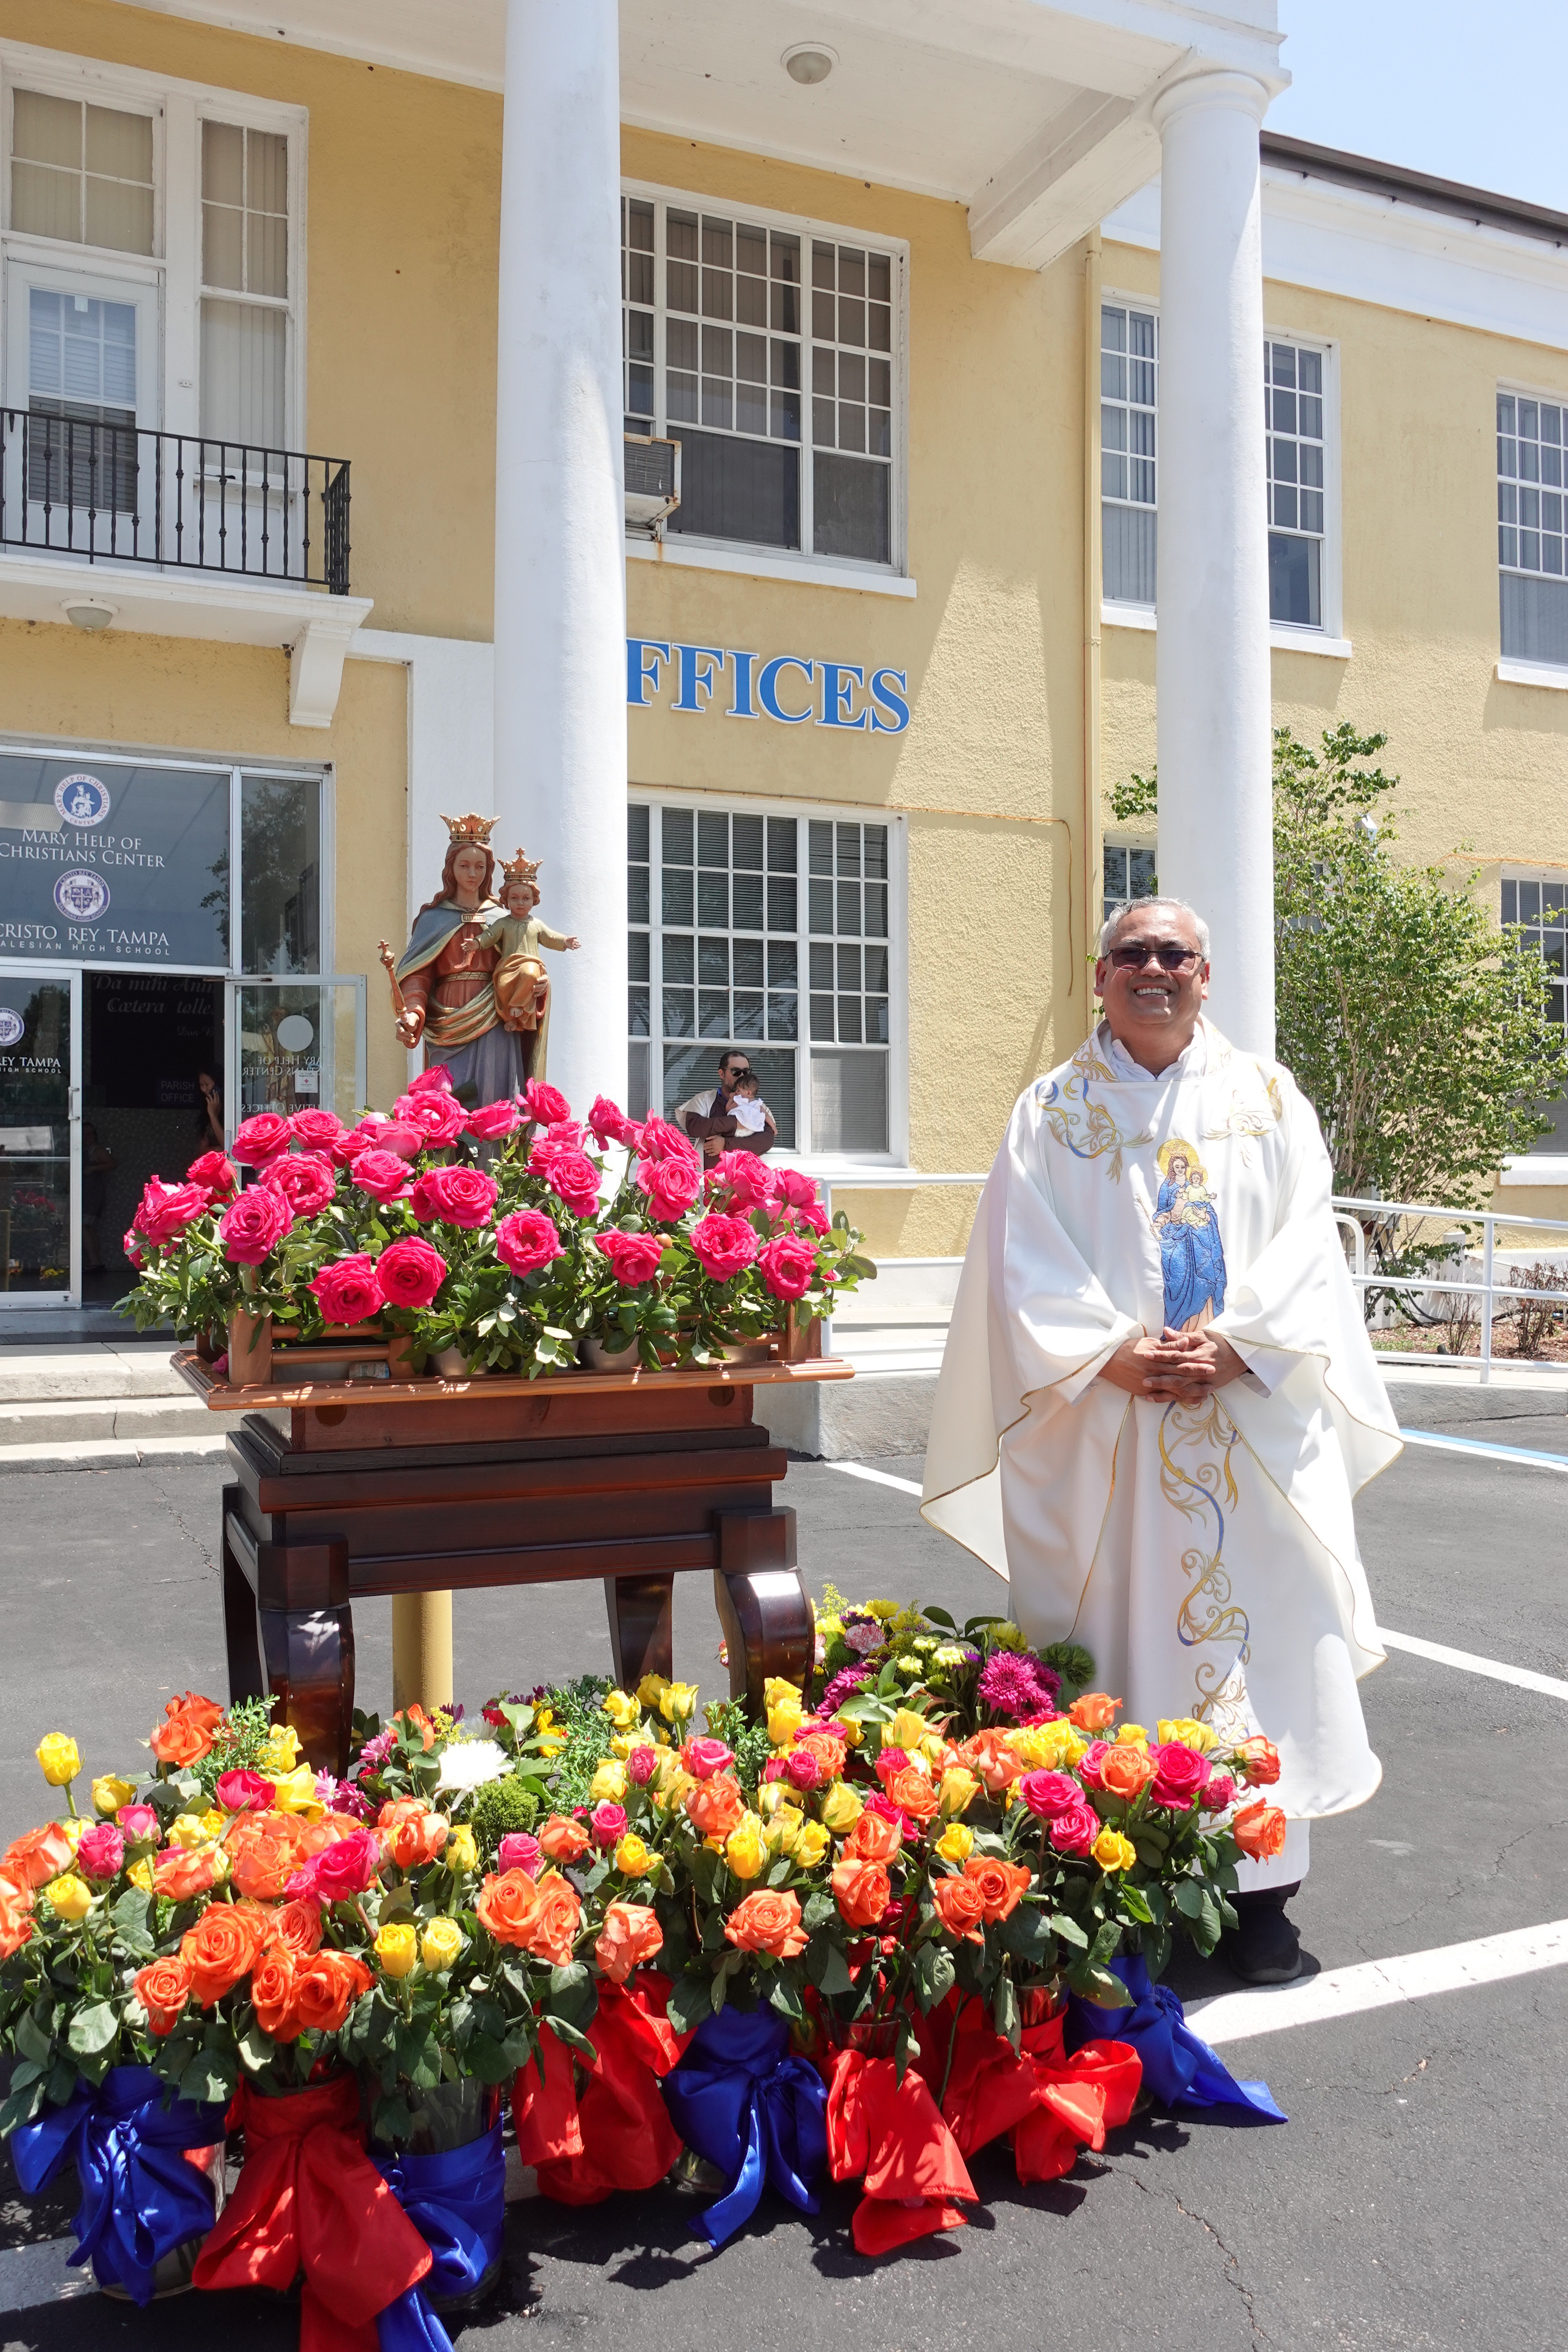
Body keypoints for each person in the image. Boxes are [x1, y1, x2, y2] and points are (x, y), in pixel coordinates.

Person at [921, 896, 1400, 1984]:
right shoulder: (1050, 1110)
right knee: (1124, 1649)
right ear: (1099, 977)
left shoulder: (1268, 1099)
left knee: (1266, 1651)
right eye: (1131, 953)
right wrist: (1108, 1354)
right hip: (1113, 1432)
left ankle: (1264, 1897)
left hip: (1248, 1421)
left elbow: (1306, 1245)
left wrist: (1238, 1343)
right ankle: (1128, 1895)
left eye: (1173, 953)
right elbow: (1018, 1258)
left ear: (1206, 974)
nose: (1153, 969)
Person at [389, 815, 525, 1106]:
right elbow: (419, 975)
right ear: (450, 869)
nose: (472, 873)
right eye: (464, 866)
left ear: (489, 871)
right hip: (445, 1020)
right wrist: (413, 1011)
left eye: (480, 866)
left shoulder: (503, 918)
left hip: (494, 1013)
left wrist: (536, 985)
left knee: (494, 1098)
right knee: (445, 1101)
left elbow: (521, 966)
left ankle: (495, 1151)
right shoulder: (434, 918)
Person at [476, 851, 579, 1069]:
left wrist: (565, 942)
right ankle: (513, 1017)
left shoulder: (536, 924)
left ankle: (517, 1010)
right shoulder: (504, 923)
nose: (520, 903)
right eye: (514, 898)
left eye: (526, 899)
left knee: (531, 973)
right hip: (507, 967)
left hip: (530, 965)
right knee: (503, 986)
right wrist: (475, 943)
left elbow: (551, 937)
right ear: (506, 900)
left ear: (534, 900)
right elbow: (489, 937)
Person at [676, 1050, 777, 1161]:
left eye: (746, 1072)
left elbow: (766, 1141)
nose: (742, 1076)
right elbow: (695, 1127)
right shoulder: (705, 1099)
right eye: (736, 1072)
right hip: (709, 1177)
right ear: (722, 1074)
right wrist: (736, 1123)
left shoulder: (757, 1106)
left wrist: (726, 1145)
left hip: (745, 1176)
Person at [80, 1122, 116, 1272]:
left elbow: (113, 1163)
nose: (87, 1137)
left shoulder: (97, 1151)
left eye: (90, 1134)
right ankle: (95, 1262)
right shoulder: (84, 1151)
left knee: (85, 1226)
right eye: (84, 1134)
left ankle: (95, 1262)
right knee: (89, 1227)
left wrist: (93, 1169)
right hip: (87, 1193)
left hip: (92, 1194)